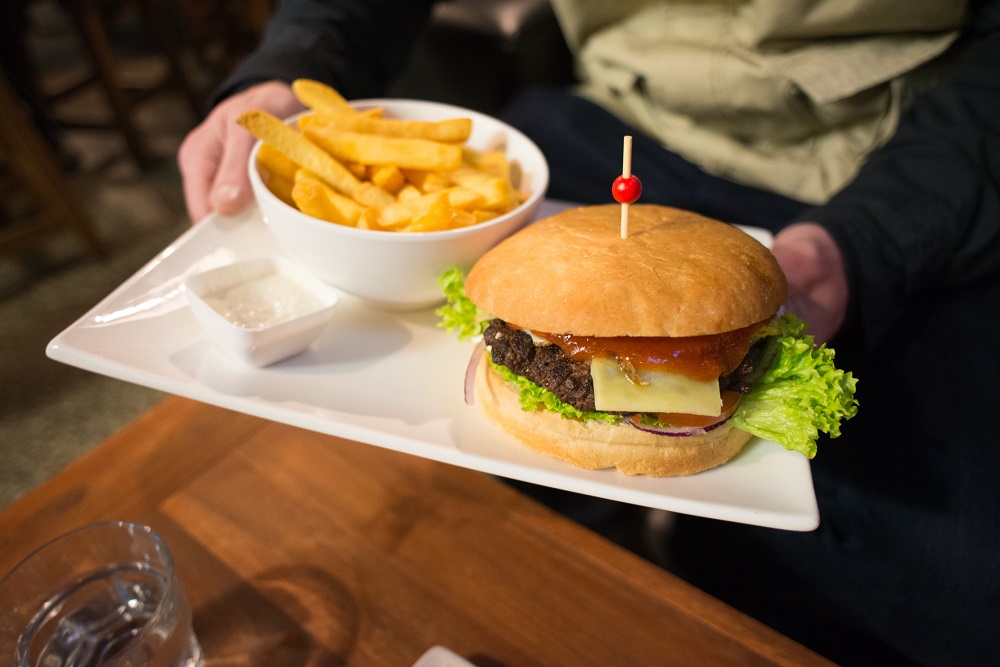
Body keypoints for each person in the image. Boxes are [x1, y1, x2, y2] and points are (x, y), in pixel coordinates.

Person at [177, 2, 1000, 664]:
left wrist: (866, 243)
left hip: (879, 172)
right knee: (426, 495)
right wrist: (293, 62)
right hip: (610, 119)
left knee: (960, 584)